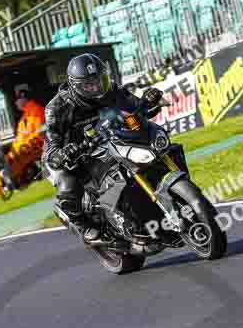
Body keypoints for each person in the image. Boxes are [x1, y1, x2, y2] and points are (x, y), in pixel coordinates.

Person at [42, 53, 164, 247]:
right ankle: (82, 225)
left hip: (103, 142)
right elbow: (51, 145)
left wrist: (148, 102)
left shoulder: (112, 90)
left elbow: (135, 109)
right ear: (76, 85)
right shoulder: (57, 108)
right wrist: (63, 154)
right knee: (68, 182)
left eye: (100, 81)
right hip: (67, 155)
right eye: (89, 85)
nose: (97, 88)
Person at [0, 85, 46, 191]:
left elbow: (40, 134)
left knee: (12, 159)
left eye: (17, 100)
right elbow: (20, 138)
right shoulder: (25, 115)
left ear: (24, 98)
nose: (15, 103)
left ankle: (10, 183)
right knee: (6, 159)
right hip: (25, 149)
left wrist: (23, 147)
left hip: (36, 147)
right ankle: (11, 183)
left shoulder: (36, 110)